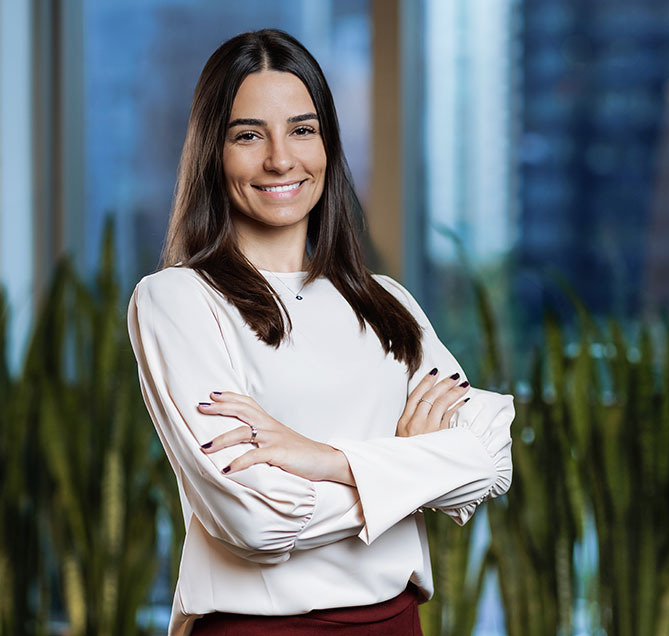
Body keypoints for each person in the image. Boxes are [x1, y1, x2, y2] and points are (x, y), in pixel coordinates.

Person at [127, 28, 514, 636]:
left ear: (328, 143)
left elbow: (490, 457)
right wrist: (415, 470)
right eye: (249, 135)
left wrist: (323, 460)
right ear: (213, 151)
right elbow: (254, 520)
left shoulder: (387, 302)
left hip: (397, 623)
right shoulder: (177, 299)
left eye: (302, 129)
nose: (281, 159)